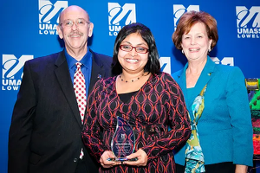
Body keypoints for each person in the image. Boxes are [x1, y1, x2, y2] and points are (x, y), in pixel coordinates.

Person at [8, 5, 112, 173]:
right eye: (68, 23)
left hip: (99, 168)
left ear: (90, 28)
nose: (75, 28)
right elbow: (20, 132)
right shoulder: (35, 71)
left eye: (80, 22)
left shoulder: (113, 68)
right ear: (60, 31)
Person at [81, 22, 191, 173]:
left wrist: (149, 151)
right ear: (117, 49)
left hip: (155, 167)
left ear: (149, 52)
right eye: (126, 47)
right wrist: (100, 152)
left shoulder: (164, 83)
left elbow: (183, 127)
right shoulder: (101, 87)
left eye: (140, 48)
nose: (132, 53)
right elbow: (88, 131)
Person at [171, 11, 253, 173]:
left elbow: (242, 127)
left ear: (210, 41)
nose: (193, 42)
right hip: (180, 164)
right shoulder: (171, 81)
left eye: (199, 36)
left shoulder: (230, 75)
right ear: (181, 44)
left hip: (221, 165)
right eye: (187, 37)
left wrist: (241, 169)